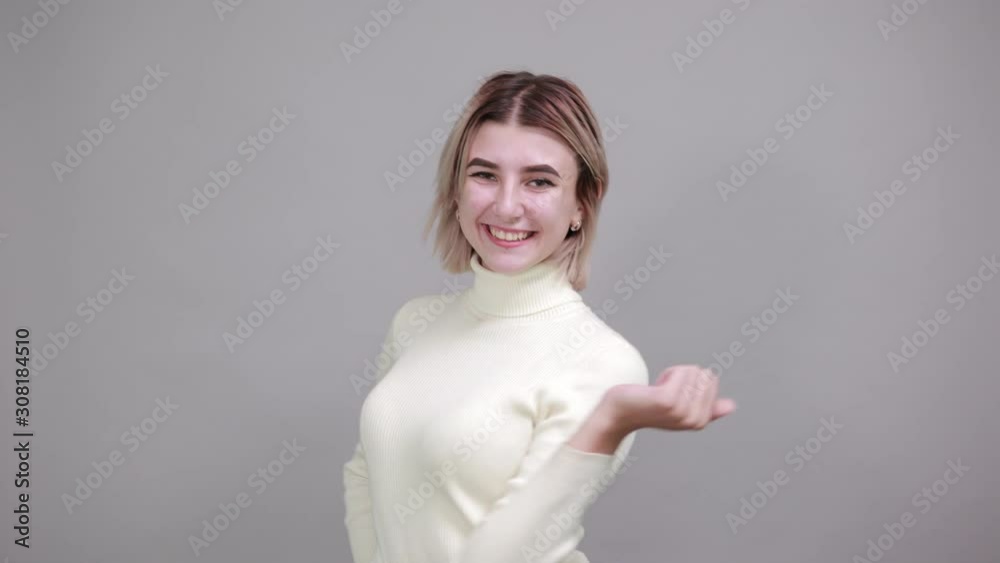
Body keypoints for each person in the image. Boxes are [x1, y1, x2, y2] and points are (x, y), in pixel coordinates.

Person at [343, 70, 737, 563]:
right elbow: (365, 478)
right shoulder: (414, 323)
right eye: (484, 174)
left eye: (540, 181)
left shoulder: (602, 361)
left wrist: (608, 423)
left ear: (581, 204)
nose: (507, 207)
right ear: (456, 191)